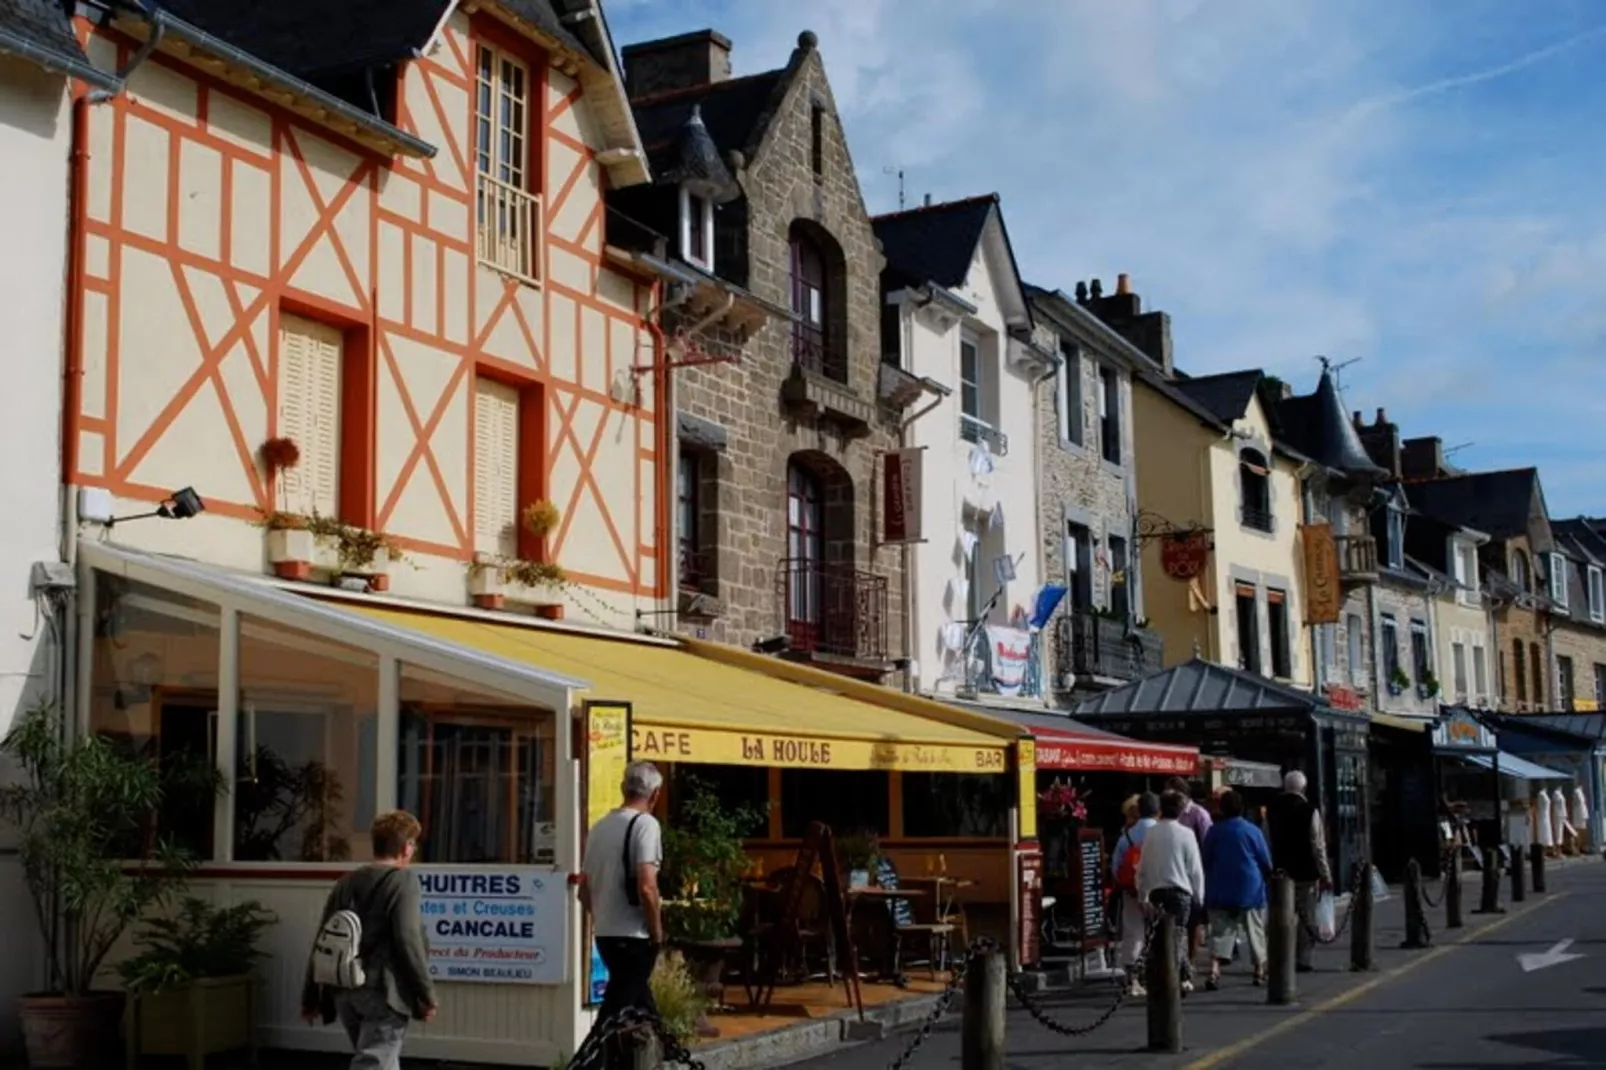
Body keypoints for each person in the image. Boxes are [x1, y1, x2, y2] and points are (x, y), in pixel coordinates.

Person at [301, 810, 436, 1070]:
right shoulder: (402, 881)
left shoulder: (346, 882)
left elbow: (323, 941)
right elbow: (407, 938)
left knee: (382, 1059)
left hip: (345, 991)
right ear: (406, 847)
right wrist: (426, 994)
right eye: (413, 844)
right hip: (383, 992)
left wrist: (310, 998)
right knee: (375, 1062)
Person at [580, 760, 666, 1056]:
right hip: (635, 935)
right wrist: (657, 932)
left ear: (622, 788)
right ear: (655, 795)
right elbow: (647, 886)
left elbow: (583, 890)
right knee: (613, 1013)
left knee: (639, 1000)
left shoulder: (599, 828)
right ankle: (585, 1063)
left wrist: (602, 916)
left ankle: (663, 1055)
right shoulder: (647, 826)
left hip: (605, 933)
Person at [1202, 791, 1274, 989]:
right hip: (1250, 888)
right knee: (1255, 929)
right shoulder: (1252, 831)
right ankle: (1259, 969)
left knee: (1219, 930)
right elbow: (1265, 861)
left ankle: (1215, 970)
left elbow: (1205, 859)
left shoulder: (1214, 832)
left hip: (1220, 887)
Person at [1137, 790, 1205, 994]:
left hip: (1157, 891)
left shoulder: (1151, 833)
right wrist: (1199, 896)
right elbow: (1195, 868)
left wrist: (1143, 895)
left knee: (1159, 937)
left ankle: (1167, 974)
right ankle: (1181, 976)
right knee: (1178, 934)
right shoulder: (1186, 834)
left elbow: (1143, 867)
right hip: (1181, 892)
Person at [1266, 770, 1331, 972]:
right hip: (1305, 873)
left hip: (1280, 873)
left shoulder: (1272, 810)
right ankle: (1302, 959)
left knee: (1279, 916)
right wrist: (1325, 874)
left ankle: (1278, 956)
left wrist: (1269, 868)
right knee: (1306, 918)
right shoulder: (1310, 811)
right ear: (1303, 788)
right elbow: (1317, 846)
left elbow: (1266, 841)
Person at [1110, 792, 1159, 995]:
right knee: (1157, 933)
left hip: (1131, 890)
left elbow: (1115, 866)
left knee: (1133, 932)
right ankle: (1154, 972)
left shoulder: (1127, 836)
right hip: (1157, 889)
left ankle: (1132, 976)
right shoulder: (1161, 832)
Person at [1166, 776, 1213, 972]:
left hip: (1192, 872)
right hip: (1173, 872)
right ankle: (1175, 960)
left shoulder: (1198, 815)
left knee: (1193, 921)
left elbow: (1207, 844)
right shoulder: (1170, 816)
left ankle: (1190, 961)